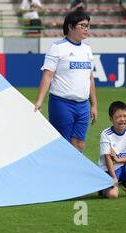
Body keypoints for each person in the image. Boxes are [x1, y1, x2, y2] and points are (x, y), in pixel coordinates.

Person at [34, 10, 97, 152]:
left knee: (79, 144)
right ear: (70, 26)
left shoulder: (87, 49)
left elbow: (90, 78)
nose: (86, 29)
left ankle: (74, 174)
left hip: (83, 106)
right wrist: (39, 101)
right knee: (63, 144)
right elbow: (47, 75)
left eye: (88, 26)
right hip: (62, 103)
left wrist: (94, 104)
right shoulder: (57, 48)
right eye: (83, 25)